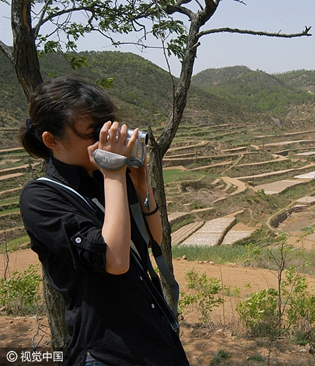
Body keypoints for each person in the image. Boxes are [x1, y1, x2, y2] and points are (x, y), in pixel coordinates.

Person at [19, 75, 190, 366]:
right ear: (51, 140)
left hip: (155, 338)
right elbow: (115, 260)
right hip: (107, 352)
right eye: (92, 132)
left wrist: (140, 186)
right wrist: (112, 173)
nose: (105, 140)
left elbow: (153, 239)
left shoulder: (106, 178)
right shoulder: (41, 198)